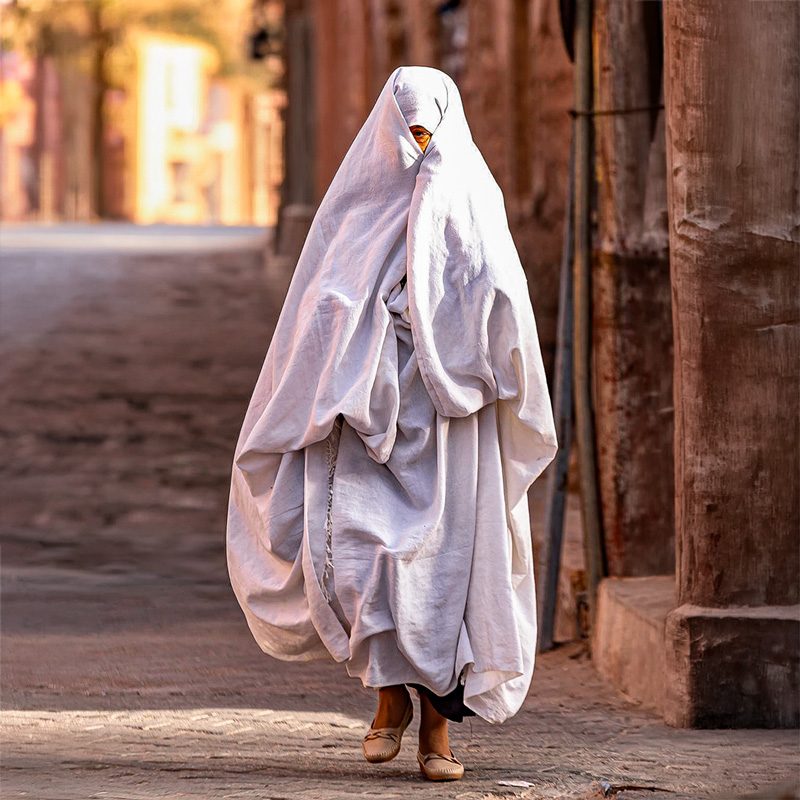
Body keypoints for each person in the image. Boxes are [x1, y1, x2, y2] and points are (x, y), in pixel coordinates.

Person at [226, 65, 558, 782]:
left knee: (443, 575)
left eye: (427, 133)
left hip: (450, 431)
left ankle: (439, 735)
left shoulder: (474, 204)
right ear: (384, 132)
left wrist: (457, 344)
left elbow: (503, 306)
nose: (417, 149)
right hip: (363, 425)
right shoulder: (352, 212)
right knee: (366, 566)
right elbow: (315, 316)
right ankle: (388, 701)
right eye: (404, 133)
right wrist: (362, 333)